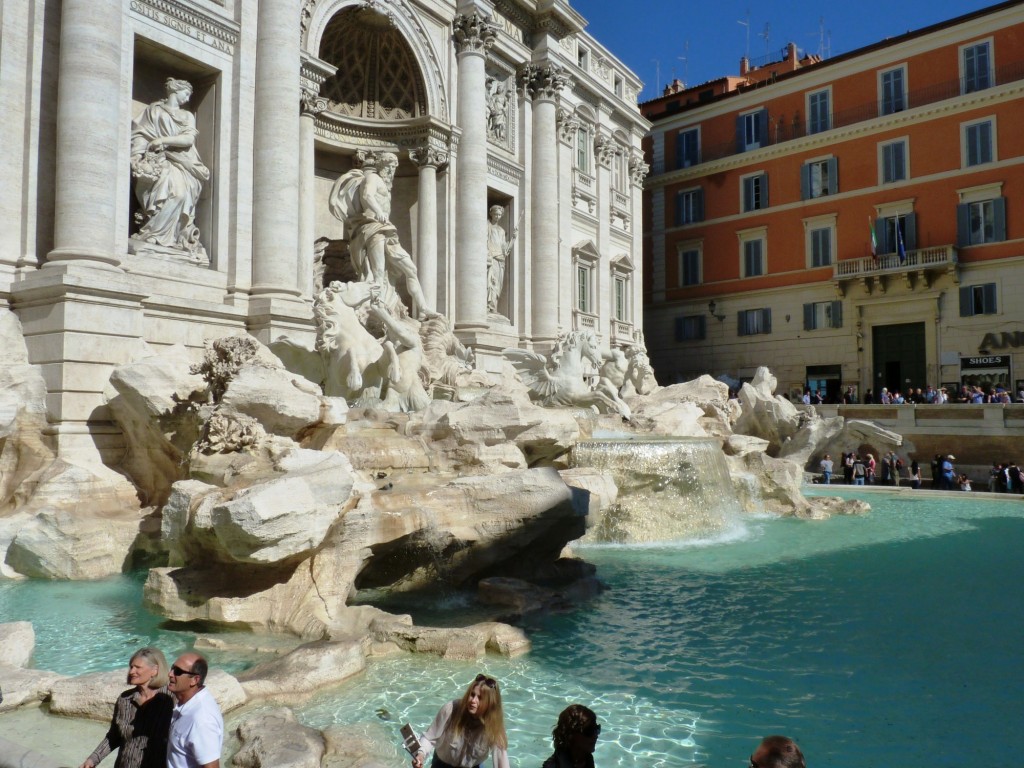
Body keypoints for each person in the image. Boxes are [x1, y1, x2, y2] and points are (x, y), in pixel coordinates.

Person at [328, 151, 435, 319]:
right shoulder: (373, 178)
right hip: (373, 228)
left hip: (386, 229)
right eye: (391, 166)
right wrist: (378, 211)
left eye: (394, 167)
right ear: (383, 166)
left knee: (411, 269)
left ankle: (422, 308)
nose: (393, 170)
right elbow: (367, 195)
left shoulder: (386, 183)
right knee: (377, 274)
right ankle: (375, 312)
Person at [130, 78, 210, 261]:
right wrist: (137, 155)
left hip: (182, 162)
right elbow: (141, 134)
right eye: (186, 93)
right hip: (158, 160)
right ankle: (153, 235)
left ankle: (170, 238)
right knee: (167, 193)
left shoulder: (187, 116)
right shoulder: (153, 111)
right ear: (175, 90)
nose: (188, 98)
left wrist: (162, 141)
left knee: (180, 194)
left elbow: (188, 140)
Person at [80, 647, 174, 768]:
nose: (131, 672)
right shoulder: (125, 700)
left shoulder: (170, 698)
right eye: (131, 666)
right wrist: (93, 759)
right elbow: (114, 736)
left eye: (137, 667)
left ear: (154, 670)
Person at [411, 674, 509, 768]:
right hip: (442, 765)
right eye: (472, 694)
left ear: (490, 703)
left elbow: (502, 762)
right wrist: (421, 755)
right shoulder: (450, 709)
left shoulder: (495, 726)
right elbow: (429, 738)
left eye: (480, 698)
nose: (473, 700)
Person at [167, 653, 223, 768]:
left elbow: (212, 766)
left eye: (177, 672)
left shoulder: (202, 719)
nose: (170, 674)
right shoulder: (188, 703)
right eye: (172, 668)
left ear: (195, 680)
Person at [486, 205, 517, 315]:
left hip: (500, 260)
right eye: (495, 214)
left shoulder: (502, 231)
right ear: (491, 214)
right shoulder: (487, 226)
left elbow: (504, 248)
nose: (497, 217)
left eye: (499, 215)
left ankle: (494, 307)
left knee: (498, 285)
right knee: (491, 283)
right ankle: (489, 307)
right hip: (492, 258)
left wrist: (513, 239)